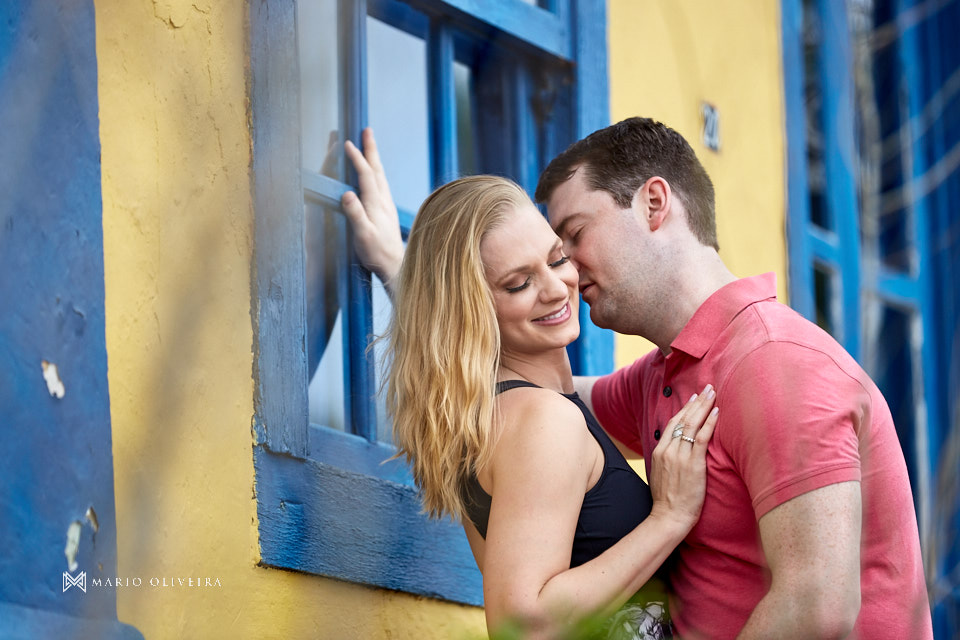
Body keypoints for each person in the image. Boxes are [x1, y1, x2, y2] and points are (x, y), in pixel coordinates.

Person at [532, 117, 933, 639]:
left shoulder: (776, 363)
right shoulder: (669, 370)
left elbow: (817, 608)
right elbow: (543, 400)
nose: (566, 268)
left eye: (575, 235)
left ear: (654, 203)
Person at [340, 128, 720, 639]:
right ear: (473, 310)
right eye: (518, 283)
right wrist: (668, 518)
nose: (556, 288)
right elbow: (523, 628)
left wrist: (395, 262)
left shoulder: (502, 411)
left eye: (558, 258)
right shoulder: (545, 421)